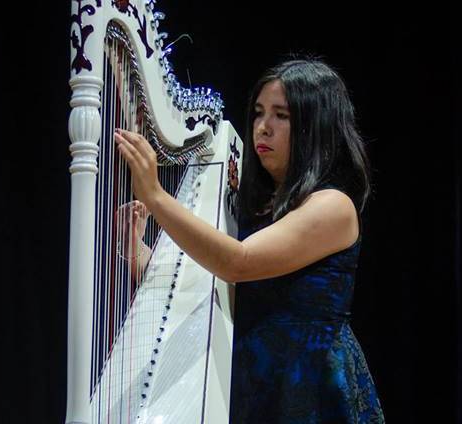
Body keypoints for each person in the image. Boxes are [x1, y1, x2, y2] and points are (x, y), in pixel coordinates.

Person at [114, 58, 385, 423]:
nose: (263, 128)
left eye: (281, 116)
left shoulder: (334, 207)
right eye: (258, 113)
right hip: (258, 383)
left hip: (309, 387)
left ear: (316, 126)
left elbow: (237, 263)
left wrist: (157, 196)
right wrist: (137, 252)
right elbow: (212, 290)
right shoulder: (260, 207)